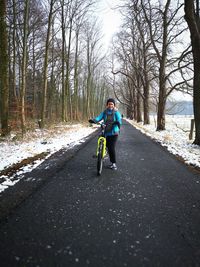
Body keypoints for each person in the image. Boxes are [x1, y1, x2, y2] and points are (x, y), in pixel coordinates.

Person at [89, 98, 122, 170]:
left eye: (112, 104)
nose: (110, 105)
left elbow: (119, 120)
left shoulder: (116, 112)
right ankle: (101, 153)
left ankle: (113, 164)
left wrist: (117, 122)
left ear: (114, 105)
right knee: (102, 142)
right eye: (109, 104)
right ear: (107, 105)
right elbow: (99, 117)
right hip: (105, 131)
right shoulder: (104, 112)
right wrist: (94, 120)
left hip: (114, 133)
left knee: (111, 147)